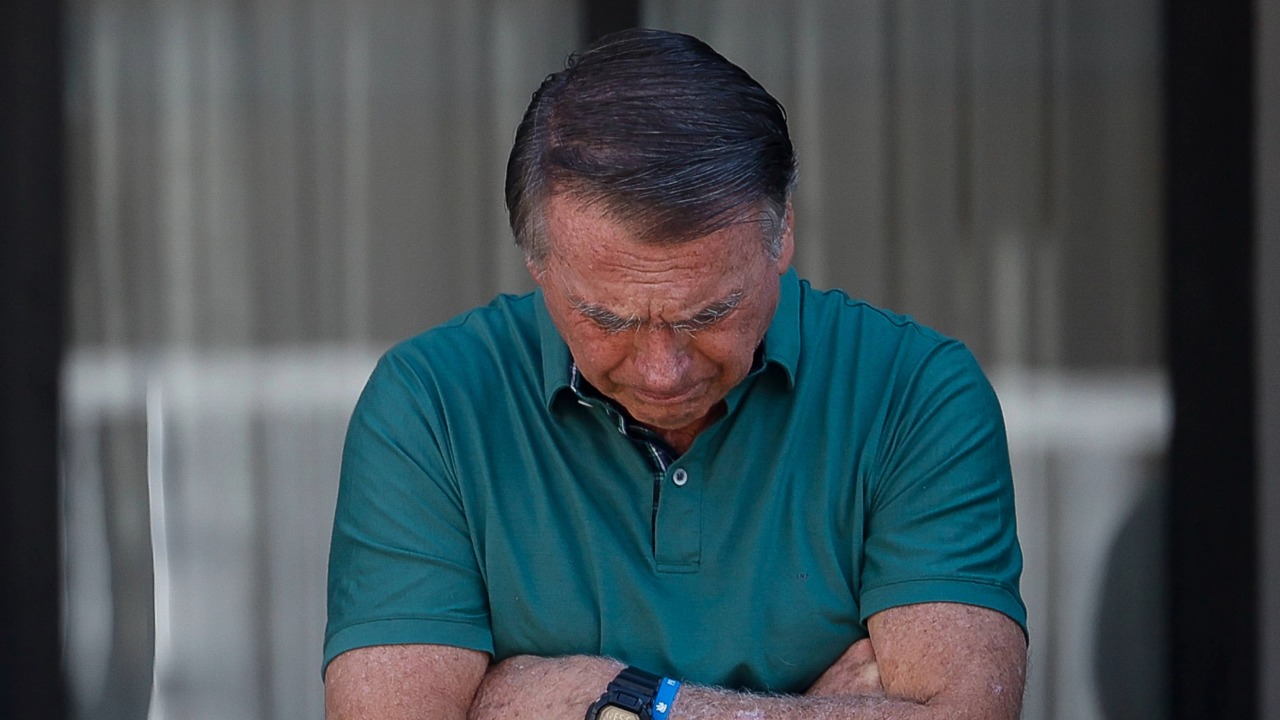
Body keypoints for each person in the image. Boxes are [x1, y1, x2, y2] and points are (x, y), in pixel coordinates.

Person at [323, 28, 1027, 720]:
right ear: (537, 263)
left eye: (709, 314)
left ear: (782, 232)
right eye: (606, 319)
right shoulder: (432, 404)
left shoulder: (916, 393)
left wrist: (610, 700)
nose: (662, 372)